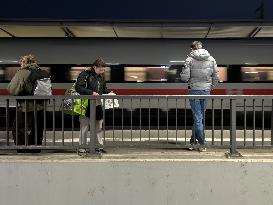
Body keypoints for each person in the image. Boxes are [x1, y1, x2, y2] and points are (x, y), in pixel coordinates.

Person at [180, 41, 219, 152]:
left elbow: (184, 78)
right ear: (201, 47)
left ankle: (201, 143)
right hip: (206, 91)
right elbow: (216, 76)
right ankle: (192, 141)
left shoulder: (189, 59)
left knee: (197, 117)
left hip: (194, 90)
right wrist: (211, 87)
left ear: (192, 48)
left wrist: (184, 73)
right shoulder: (211, 59)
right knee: (199, 117)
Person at [7, 54, 49, 153]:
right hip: (41, 105)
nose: (20, 64)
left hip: (26, 106)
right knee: (37, 128)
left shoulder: (23, 72)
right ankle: (36, 148)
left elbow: (12, 89)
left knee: (18, 128)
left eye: (21, 62)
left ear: (24, 62)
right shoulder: (42, 72)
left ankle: (23, 149)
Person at [75, 58, 111, 154]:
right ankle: (82, 147)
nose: (102, 72)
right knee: (85, 126)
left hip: (98, 104)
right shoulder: (85, 74)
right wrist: (91, 93)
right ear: (94, 67)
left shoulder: (101, 76)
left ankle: (98, 146)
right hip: (86, 104)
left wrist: (109, 92)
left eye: (103, 70)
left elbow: (103, 88)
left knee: (98, 126)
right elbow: (78, 87)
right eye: (100, 69)